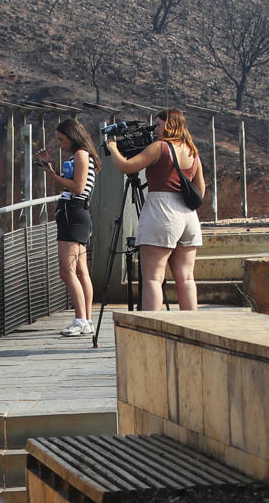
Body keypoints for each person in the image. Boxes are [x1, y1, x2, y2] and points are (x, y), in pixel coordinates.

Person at [105, 109, 207, 312]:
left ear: (169, 126)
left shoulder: (160, 147)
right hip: (188, 216)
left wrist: (113, 148)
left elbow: (127, 167)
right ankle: (193, 327)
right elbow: (200, 191)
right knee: (186, 277)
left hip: (162, 211)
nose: (156, 130)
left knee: (153, 277)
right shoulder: (192, 151)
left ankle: (152, 328)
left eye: (159, 125)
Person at [39, 118, 98, 335]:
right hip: (76, 212)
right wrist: (50, 169)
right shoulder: (83, 156)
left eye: (62, 139)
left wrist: (53, 175)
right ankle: (86, 319)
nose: (60, 143)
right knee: (81, 271)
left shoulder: (81, 155)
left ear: (73, 137)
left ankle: (81, 318)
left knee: (68, 270)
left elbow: (77, 186)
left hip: (72, 213)